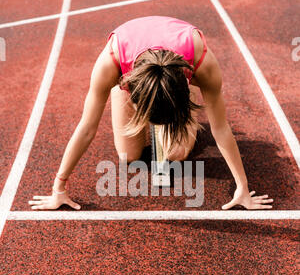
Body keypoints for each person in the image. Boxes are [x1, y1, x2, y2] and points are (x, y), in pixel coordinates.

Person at [28, 15, 273, 210]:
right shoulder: (110, 64)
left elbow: (220, 127)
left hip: (179, 80)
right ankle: (135, 96)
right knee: (127, 156)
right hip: (128, 75)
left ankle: (186, 97)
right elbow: (86, 128)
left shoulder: (203, 63)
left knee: (177, 155)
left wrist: (242, 186)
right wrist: (58, 187)